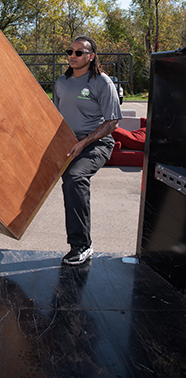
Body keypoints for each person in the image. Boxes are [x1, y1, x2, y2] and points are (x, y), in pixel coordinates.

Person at [53, 36, 122, 265]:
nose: (72, 56)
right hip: (68, 142)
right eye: (69, 52)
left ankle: (82, 245)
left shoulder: (102, 82)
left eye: (78, 53)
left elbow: (112, 122)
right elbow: (55, 117)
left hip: (97, 143)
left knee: (74, 178)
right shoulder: (61, 82)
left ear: (91, 56)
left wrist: (83, 143)